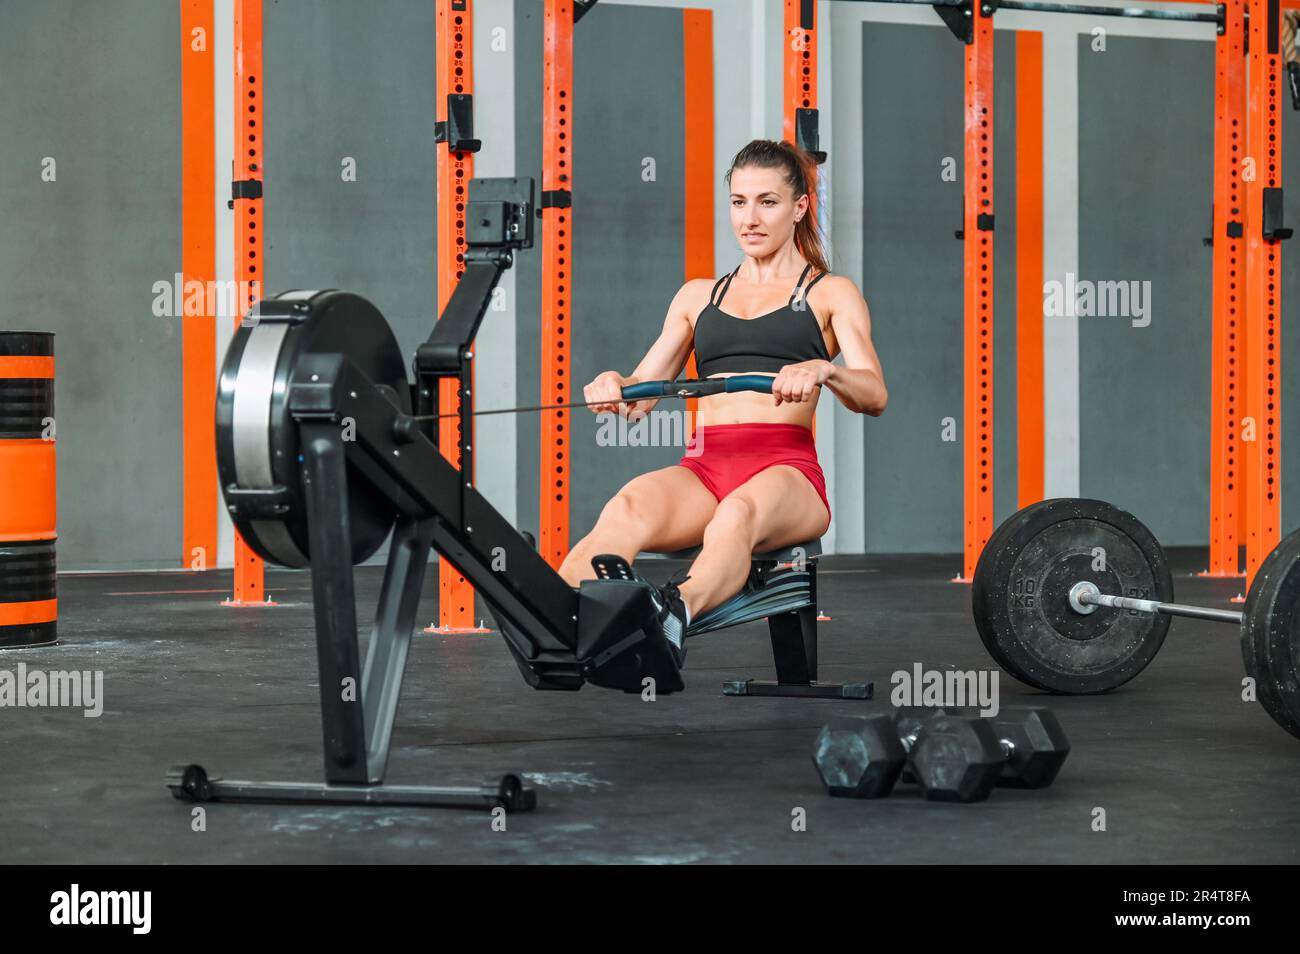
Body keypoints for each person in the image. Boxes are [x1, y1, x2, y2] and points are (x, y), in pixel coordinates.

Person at [559, 139, 888, 665]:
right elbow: (640, 394)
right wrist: (612, 385)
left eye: (767, 201)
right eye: (738, 202)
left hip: (787, 471)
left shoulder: (829, 292)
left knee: (735, 516)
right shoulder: (699, 296)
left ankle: (669, 619)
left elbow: (874, 393)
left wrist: (826, 370)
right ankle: (562, 618)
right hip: (706, 468)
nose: (749, 218)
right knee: (627, 506)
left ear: (799, 206)